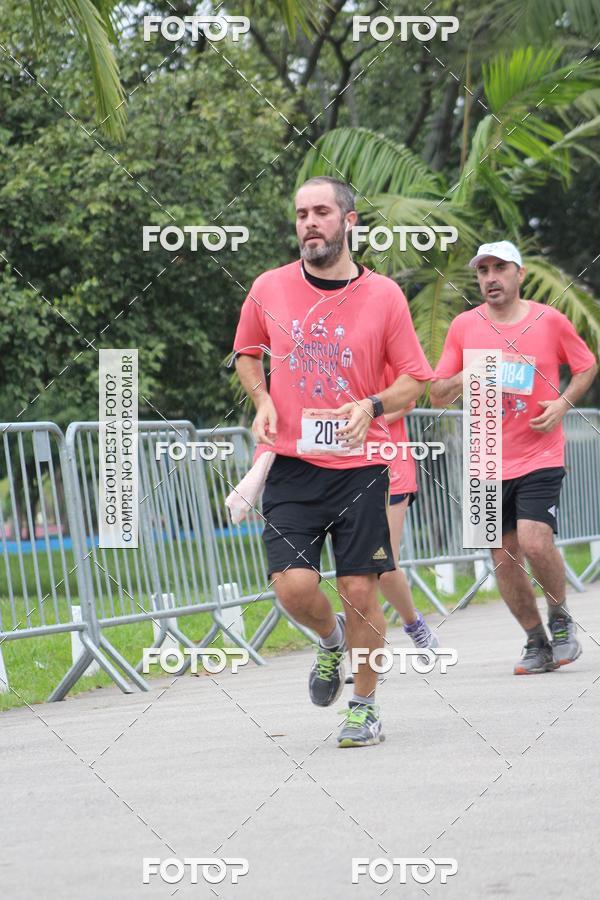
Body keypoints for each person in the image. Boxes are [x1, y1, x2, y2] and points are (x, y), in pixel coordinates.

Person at [233, 176, 433, 746]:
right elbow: (247, 352)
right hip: (293, 464)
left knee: (362, 590)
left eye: (322, 212)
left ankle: (365, 707)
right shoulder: (269, 287)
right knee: (293, 588)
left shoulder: (384, 295)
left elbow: (414, 381)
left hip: (362, 467)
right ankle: (329, 641)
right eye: (301, 214)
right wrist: (263, 398)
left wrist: (371, 406)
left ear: (349, 222)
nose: (309, 223)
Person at [430, 240, 597, 674]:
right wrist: (467, 374)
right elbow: (436, 390)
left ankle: (560, 620)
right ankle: (535, 641)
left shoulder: (549, 319)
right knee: (501, 557)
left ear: (519, 274)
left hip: (540, 451)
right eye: (483, 270)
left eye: (499, 268)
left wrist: (562, 405)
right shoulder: (464, 326)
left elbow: (586, 364)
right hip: (486, 456)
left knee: (534, 538)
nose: (490, 278)